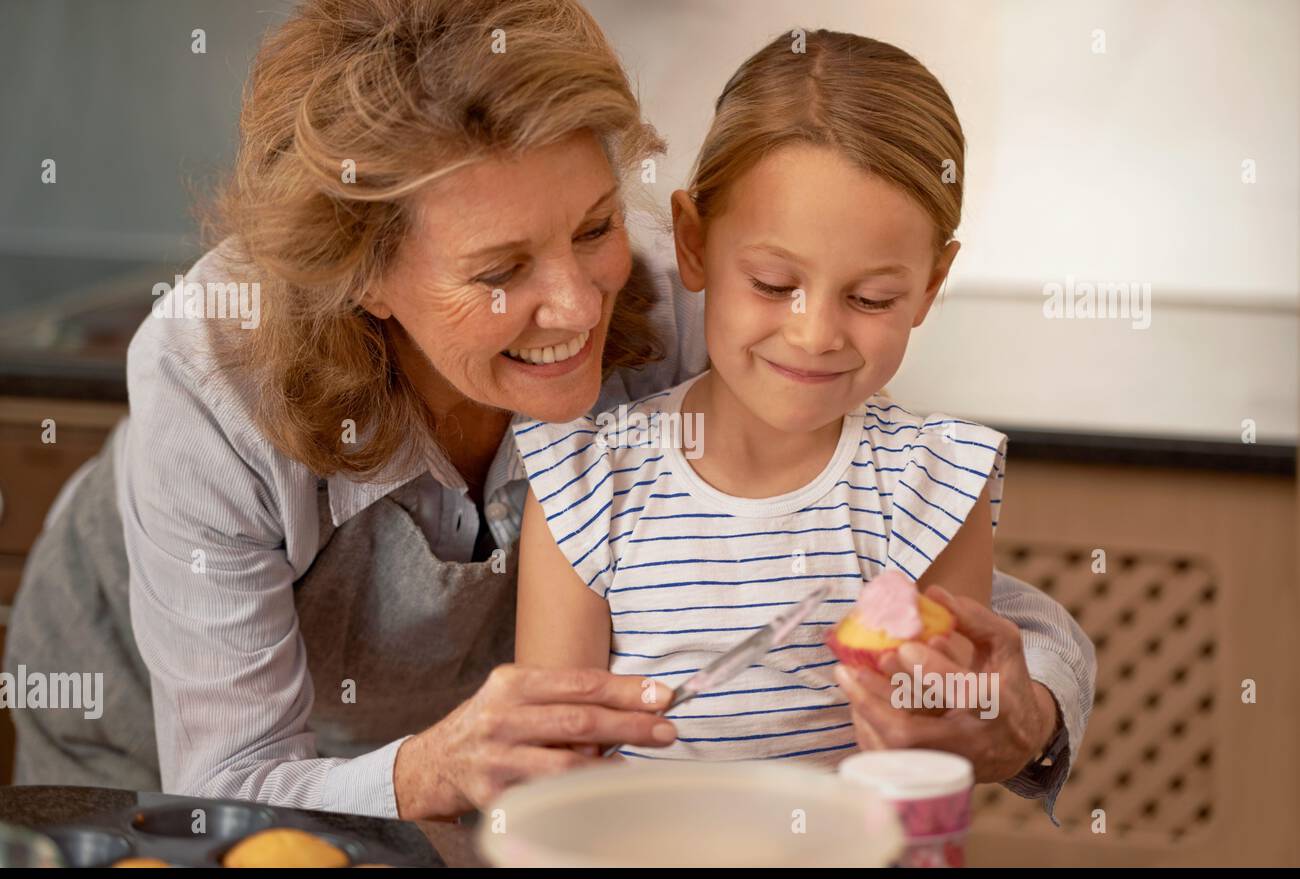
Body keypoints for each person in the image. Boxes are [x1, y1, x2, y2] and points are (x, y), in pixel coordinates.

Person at [3, 0, 1093, 823]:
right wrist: (428, 766)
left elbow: (915, 570)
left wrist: (1021, 715)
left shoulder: (687, 304)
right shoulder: (213, 376)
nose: (577, 305)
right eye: (500, 268)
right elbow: (227, 779)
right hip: (146, 756)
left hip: (480, 780)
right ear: (362, 276)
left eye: (588, 226)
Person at [514, 30, 1078, 820]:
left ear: (931, 284)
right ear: (694, 242)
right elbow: (555, 783)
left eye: (873, 298)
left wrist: (942, 709)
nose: (815, 334)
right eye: (775, 283)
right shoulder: (587, 485)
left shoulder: (934, 486)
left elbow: (934, 770)